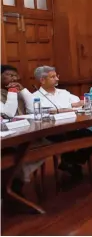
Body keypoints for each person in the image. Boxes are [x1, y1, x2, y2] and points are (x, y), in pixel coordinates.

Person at [30, 66, 89, 180]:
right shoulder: (35, 97)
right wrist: (64, 109)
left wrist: (74, 105)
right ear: (42, 80)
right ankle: (70, 163)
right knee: (65, 136)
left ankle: (71, 161)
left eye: (57, 76)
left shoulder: (64, 93)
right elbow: (41, 114)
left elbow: (80, 103)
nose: (57, 79)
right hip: (51, 131)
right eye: (53, 77)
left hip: (72, 126)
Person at [1, 65, 47, 194]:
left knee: (48, 144)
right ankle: (12, 181)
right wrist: (12, 92)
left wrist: (24, 92)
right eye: (9, 75)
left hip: (24, 132)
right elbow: (8, 114)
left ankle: (17, 179)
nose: (14, 78)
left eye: (15, 76)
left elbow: (35, 110)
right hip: (7, 137)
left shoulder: (20, 92)